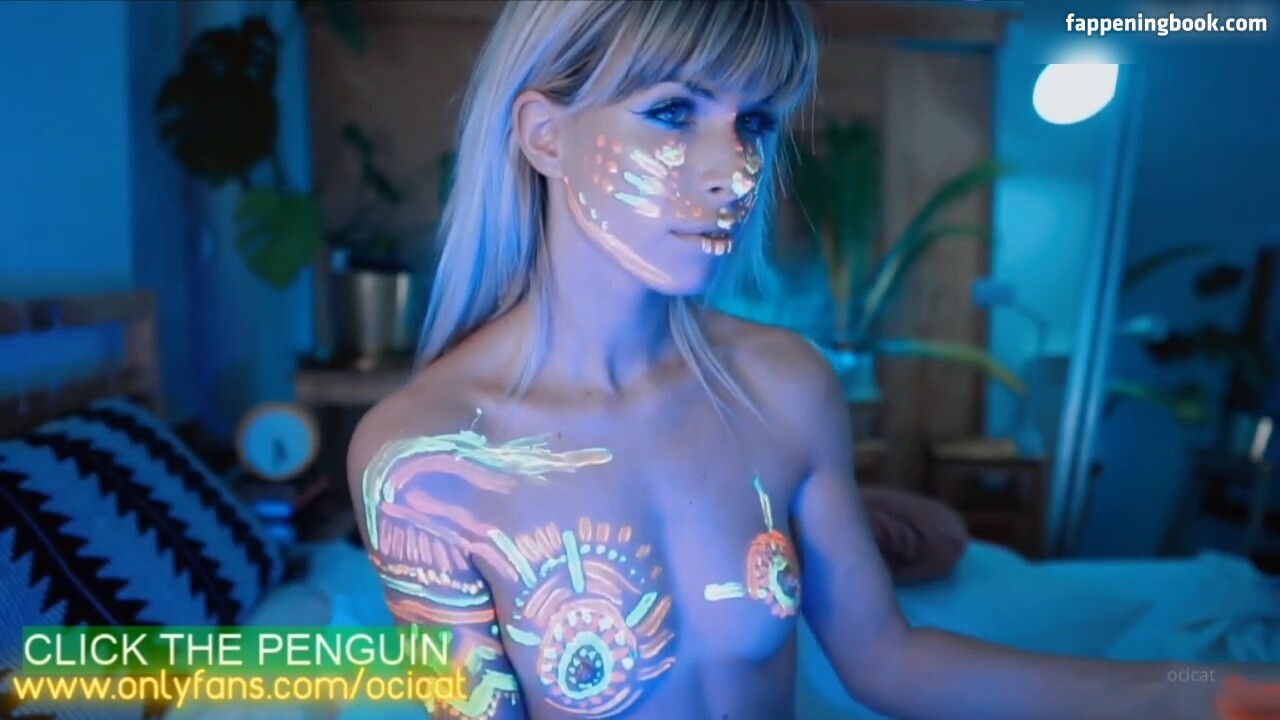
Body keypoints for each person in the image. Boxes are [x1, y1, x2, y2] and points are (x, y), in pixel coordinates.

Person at [346, 2, 1256, 718]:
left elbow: (887, 659)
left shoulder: (782, 385)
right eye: (673, 112)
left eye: (753, 122)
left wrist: (1188, 690)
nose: (734, 170)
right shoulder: (422, 463)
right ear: (545, 135)